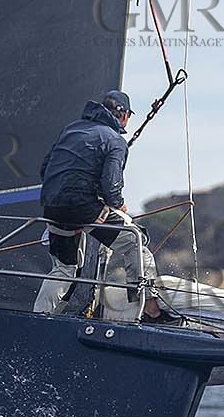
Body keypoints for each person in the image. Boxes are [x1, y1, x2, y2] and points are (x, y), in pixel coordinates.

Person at [34, 90, 170, 322]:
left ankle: (40, 318)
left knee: (65, 268)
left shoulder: (72, 130)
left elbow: (44, 170)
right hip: (82, 207)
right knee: (135, 241)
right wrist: (118, 205)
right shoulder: (115, 141)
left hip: (52, 205)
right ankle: (150, 311)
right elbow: (111, 184)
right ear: (124, 115)